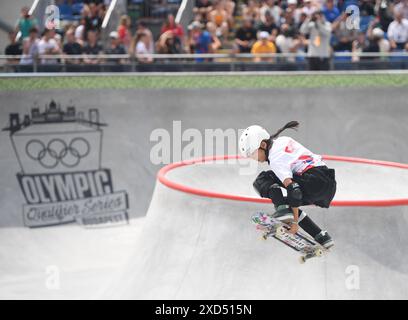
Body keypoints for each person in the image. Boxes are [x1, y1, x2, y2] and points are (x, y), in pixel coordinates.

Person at [238, 122, 336, 249]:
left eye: (252, 153)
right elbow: (295, 191)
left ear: (263, 145)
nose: (253, 158)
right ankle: (321, 236)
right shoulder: (283, 141)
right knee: (289, 203)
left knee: (263, 179)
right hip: (327, 184)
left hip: (314, 180)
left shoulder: (275, 158)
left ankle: (283, 210)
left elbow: (294, 190)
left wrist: (294, 222)